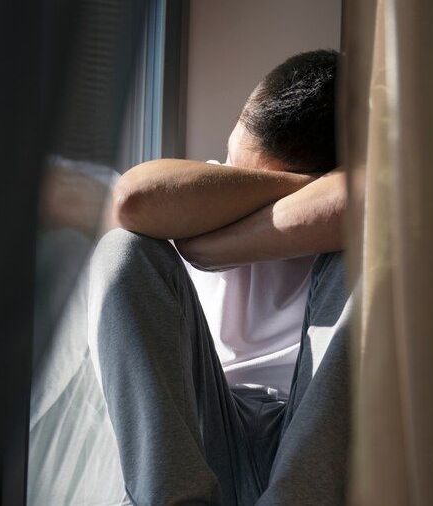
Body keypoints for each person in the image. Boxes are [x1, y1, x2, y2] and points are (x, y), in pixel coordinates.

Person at [89, 49, 352, 505]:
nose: (230, 179)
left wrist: (217, 243)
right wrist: (294, 189)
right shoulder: (213, 188)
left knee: (366, 262)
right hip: (212, 431)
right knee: (121, 249)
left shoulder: (364, 197)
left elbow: (371, 199)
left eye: (256, 178)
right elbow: (130, 200)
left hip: (311, 435)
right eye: (233, 167)